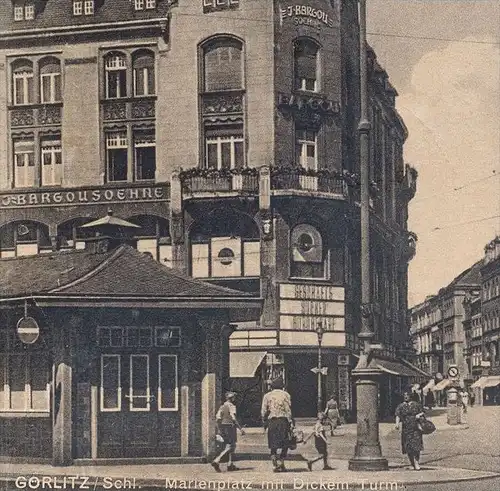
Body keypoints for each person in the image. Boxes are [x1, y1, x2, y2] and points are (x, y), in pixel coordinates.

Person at [261, 378, 293, 472]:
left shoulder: (267, 396)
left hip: (272, 421)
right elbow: (288, 410)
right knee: (285, 443)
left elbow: (263, 411)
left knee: (273, 444)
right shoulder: (286, 395)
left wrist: (264, 422)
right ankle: (281, 462)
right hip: (283, 421)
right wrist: (291, 422)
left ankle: (274, 465)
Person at [211, 392, 245, 472]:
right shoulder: (232, 406)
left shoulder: (222, 406)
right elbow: (234, 418)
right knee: (230, 446)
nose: (235, 399)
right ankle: (217, 460)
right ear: (232, 398)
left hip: (223, 426)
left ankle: (230, 464)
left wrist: (219, 428)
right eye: (234, 398)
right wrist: (240, 428)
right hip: (230, 427)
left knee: (231, 445)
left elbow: (217, 418)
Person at [395, 391, 424, 470]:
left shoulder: (416, 404)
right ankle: (412, 463)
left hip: (416, 428)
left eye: (407, 395)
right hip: (406, 428)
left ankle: (417, 463)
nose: (406, 397)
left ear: (410, 396)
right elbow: (397, 415)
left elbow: (422, 413)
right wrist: (397, 424)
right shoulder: (401, 406)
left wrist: (419, 415)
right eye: (404, 395)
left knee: (416, 446)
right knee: (408, 447)